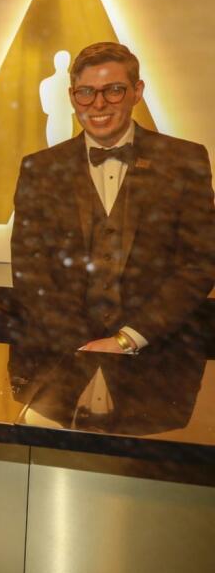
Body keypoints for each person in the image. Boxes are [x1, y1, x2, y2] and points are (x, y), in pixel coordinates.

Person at [11, 42, 215, 354]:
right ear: (72, 97)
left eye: (114, 90)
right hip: (60, 358)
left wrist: (128, 339)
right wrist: (80, 347)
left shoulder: (184, 160)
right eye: (86, 92)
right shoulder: (39, 168)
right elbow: (30, 270)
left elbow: (199, 265)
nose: (98, 103)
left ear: (137, 91)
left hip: (159, 360)